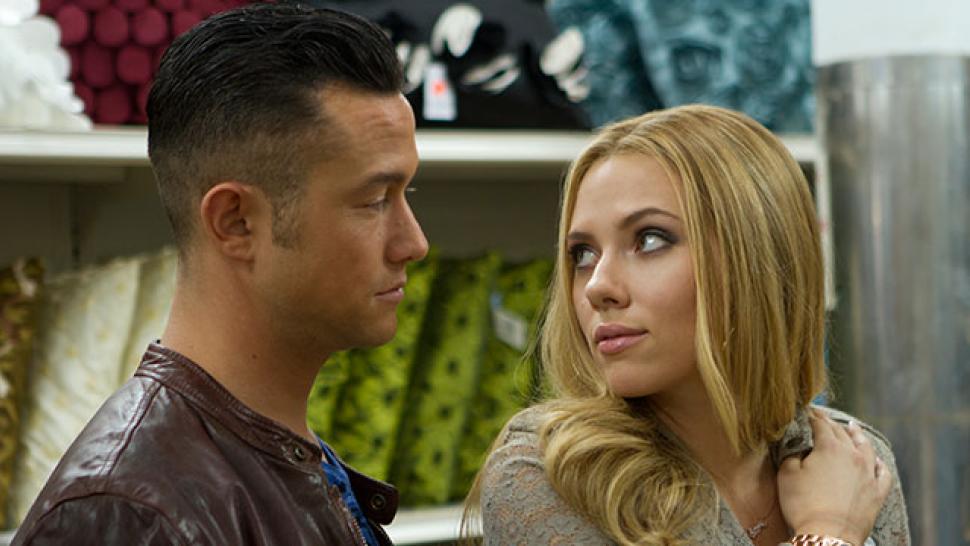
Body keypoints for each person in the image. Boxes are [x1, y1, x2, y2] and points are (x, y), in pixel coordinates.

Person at [13, 3, 427, 545]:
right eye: (374, 201)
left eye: (406, 193)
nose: (414, 244)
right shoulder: (134, 513)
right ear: (235, 221)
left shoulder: (269, 459)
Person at [467, 105, 910, 545]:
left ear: (755, 258)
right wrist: (829, 531)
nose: (597, 286)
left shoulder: (856, 462)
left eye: (649, 240)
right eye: (583, 254)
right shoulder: (550, 475)